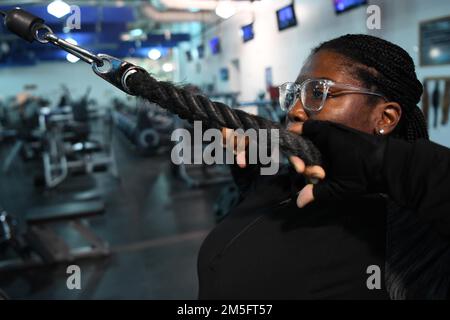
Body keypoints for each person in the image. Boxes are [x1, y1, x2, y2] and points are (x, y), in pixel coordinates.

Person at [197, 34, 450, 300]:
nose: (294, 110)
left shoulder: (407, 231)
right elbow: (259, 203)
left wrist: (382, 161)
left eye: (318, 92)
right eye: (294, 94)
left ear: (385, 118)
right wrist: (250, 166)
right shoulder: (295, 181)